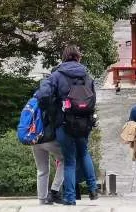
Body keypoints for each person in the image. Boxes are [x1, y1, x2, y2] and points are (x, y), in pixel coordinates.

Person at [37, 46, 99, 205]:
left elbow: (43, 95)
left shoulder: (56, 75)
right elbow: (93, 99)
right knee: (84, 153)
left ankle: (70, 198)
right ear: (78, 58)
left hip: (64, 123)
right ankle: (93, 189)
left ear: (64, 58)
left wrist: (50, 110)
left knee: (70, 160)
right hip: (84, 122)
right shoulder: (87, 75)